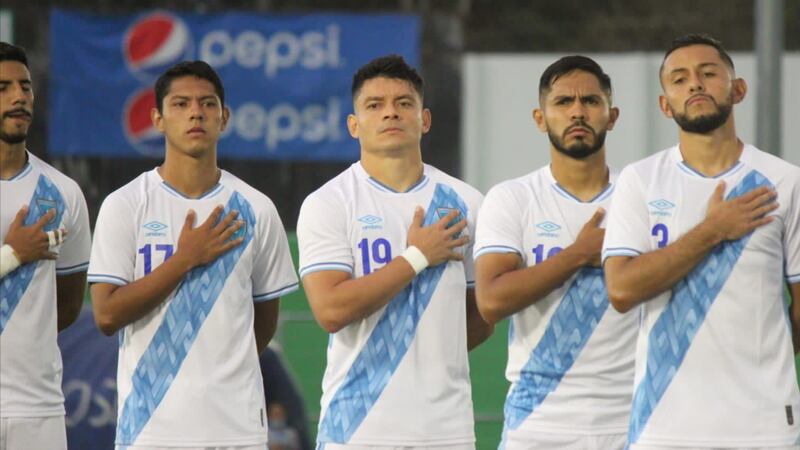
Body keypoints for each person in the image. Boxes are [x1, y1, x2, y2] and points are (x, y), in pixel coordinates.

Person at [88, 60, 298, 449]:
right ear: (157, 119)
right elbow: (106, 314)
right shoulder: (126, 205)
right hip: (151, 430)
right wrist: (184, 260)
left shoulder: (256, 208)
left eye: (208, 103)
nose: (196, 112)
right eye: (181, 104)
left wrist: (220, 373)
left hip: (237, 430)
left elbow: (263, 324)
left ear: (225, 117)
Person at [603, 33, 800, 449]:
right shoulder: (640, 180)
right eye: (679, 79)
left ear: (738, 89)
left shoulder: (786, 181)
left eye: (708, 73)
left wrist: (764, 359)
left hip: (763, 425)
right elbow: (621, 289)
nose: (694, 84)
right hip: (663, 426)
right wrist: (713, 230)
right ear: (665, 103)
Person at [296, 54, 492, 449]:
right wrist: (417, 257)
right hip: (356, 429)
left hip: (445, 431)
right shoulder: (329, 203)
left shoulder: (469, 203)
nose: (391, 113)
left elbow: (483, 313)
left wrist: (434, 351)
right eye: (375, 105)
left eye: (404, 103)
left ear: (425, 120)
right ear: (354, 125)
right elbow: (331, 311)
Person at [474, 55, 635, 450]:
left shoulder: (642, 196)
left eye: (591, 101)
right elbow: (491, 300)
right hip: (539, 423)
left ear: (611, 116)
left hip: (632, 417)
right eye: (563, 102)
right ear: (540, 117)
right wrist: (577, 255)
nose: (577, 111)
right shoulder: (513, 198)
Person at [0, 41, 91, 450]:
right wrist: (13, 255)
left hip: (37, 408)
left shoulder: (64, 193)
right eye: (2, 87)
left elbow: (68, 306)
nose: (19, 97)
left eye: (25, 86)